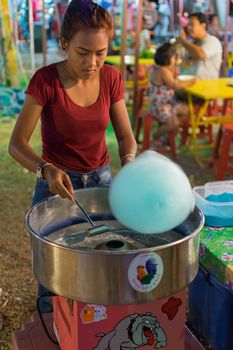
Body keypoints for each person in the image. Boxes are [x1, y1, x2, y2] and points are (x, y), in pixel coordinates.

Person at [9, 0, 137, 313]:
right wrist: (45, 170)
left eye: (101, 52)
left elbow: (125, 137)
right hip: (56, 183)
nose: (92, 62)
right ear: (65, 44)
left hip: (101, 180)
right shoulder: (46, 81)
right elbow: (17, 144)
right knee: (55, 272)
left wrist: (131, 162)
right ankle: (51, 321)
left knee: (104, 260)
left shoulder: (110, 78)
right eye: (83, 52)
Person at [148, 42, 197, 141]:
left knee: (185, 110)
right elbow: (174, 85)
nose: (176, 61)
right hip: (159, 106)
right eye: (174, 58)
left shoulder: (159, 68)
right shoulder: (162, 70)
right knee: (174, 123)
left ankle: (169, 136)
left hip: (169, 103)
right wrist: (191, 81)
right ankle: (156, 136)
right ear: (167, 58)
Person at [179, 12, 222, 80]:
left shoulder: (212, 41)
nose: (189, 27)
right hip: (188, 85)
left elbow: (201, 55)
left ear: (203, 26)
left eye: (192, 25)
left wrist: (184, 42)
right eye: (188, 25)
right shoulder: (190, 43)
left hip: (206, 88)